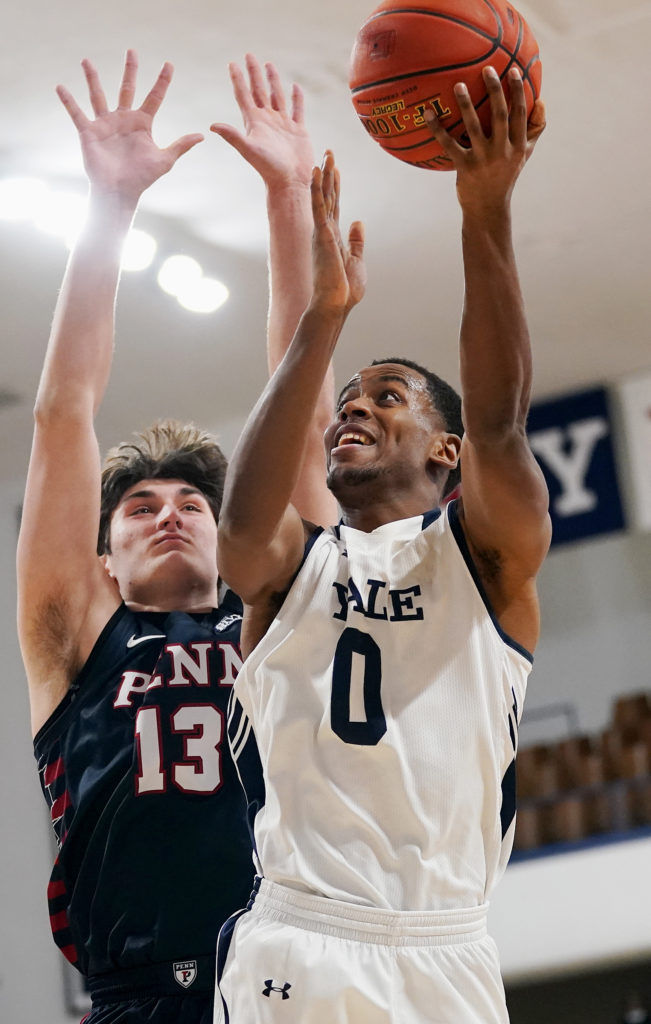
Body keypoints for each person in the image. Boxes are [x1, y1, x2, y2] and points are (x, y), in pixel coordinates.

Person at [214, 66, 551, 1023]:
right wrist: (321, 320)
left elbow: (498, 425)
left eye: (387, 394)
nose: (354, 404)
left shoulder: (483, 559)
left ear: (442, 451)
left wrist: (483, 211)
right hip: (303, 935)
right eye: (348, 398)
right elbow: (243, 528)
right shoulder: (292, 567)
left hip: (446, 944)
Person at [17, 51, 335, 1024]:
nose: (169, 510)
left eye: (193, 502)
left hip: (292, 983)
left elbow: (308, 424)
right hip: (137, 995)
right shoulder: (76, 638)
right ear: (103, 559)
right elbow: (65, 412)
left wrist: (287, 197)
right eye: (140, 505)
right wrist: (109, 209)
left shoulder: (278, 614)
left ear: (230, 530)